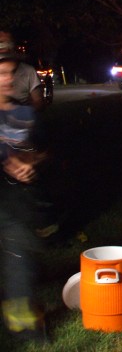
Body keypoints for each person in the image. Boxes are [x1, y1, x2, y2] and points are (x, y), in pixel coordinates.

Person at [0, 50, 47, 342]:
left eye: (11, 73)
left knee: (20, 256)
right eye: (1, 74)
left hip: (16, 201)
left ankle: (24, 327)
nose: (8, 80)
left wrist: (29, 163)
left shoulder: (24, 113)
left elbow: (43, 150)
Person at [0, 31, 44, 111]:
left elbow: (38, 101)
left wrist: (23, 112)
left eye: (7, 42)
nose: (10, 79)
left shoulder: (28, 71)